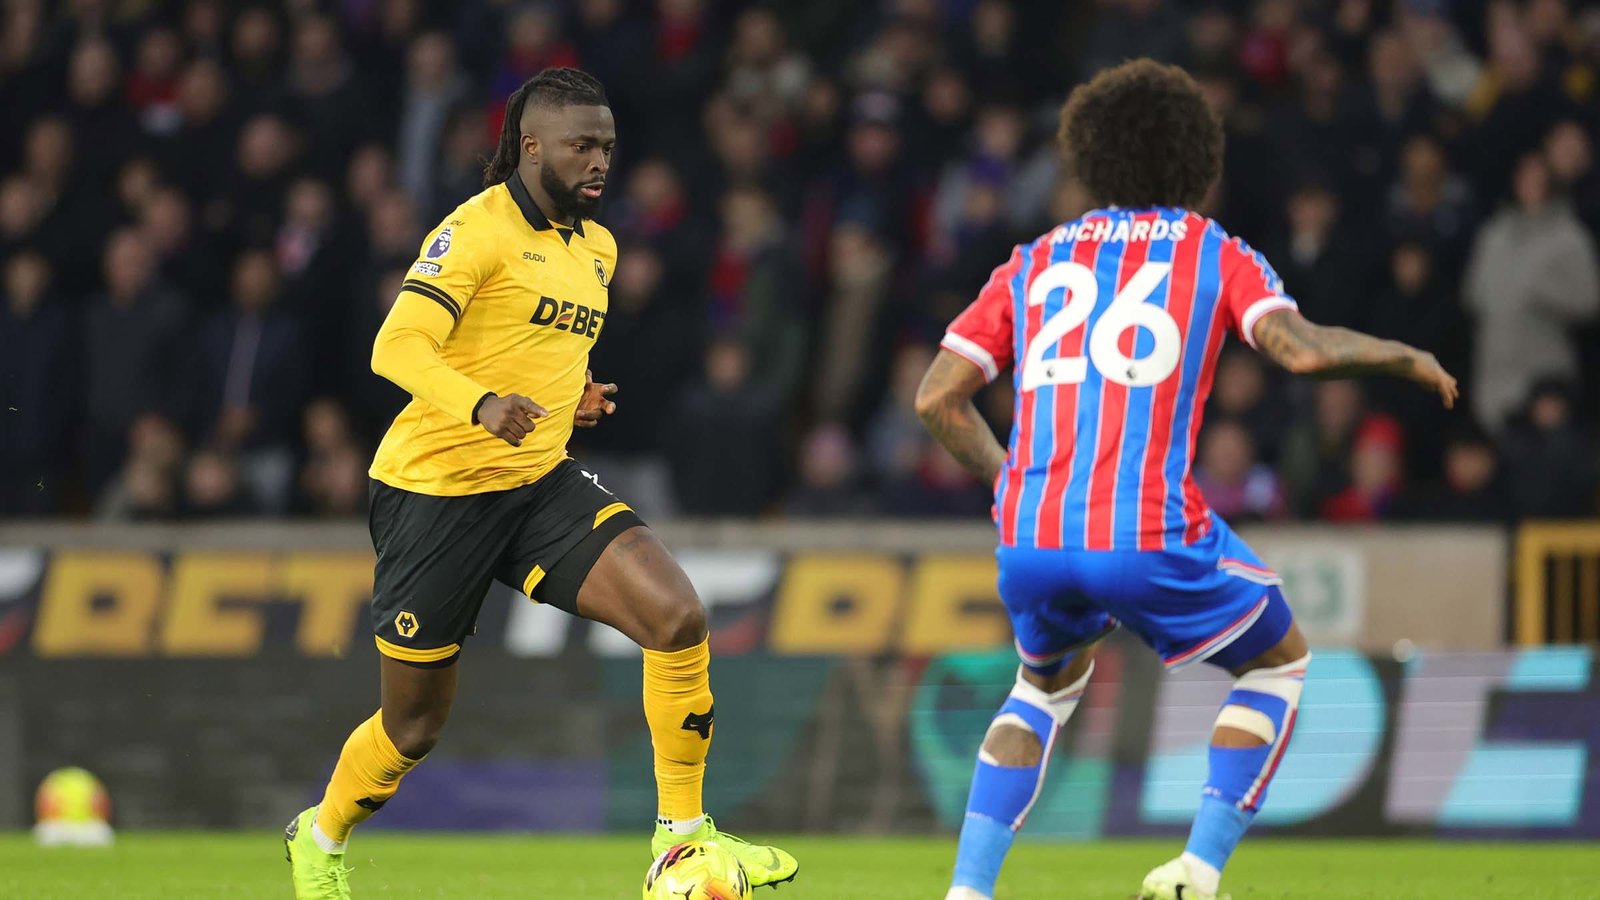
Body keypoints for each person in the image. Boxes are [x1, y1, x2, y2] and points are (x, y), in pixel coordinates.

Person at [914, 60, 1457, 900]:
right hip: (1143, 527)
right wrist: (1403, 354)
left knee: (1039, 690)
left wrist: (1009, 481)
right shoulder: (1212, 250)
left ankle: (967, 892)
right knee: (1276, 665)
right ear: (1196, 160)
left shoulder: (1033, 260)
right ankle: (1196, 872)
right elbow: (1302, 350)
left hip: (1031, 532)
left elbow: (935, 398)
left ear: (1091, 158)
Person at [282, 68, 798, 899]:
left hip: (535, 483)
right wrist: (481, 403)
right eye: (581, 146)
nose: (599, 162)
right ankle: (320, 837)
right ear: (531, 147)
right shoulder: (474, 230)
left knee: (677, 616)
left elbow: (536, 342)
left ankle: (680, 844)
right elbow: (396, 346)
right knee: (414, 726)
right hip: (434, 495)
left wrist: (570, 397)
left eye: (607, 147)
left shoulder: (598, 248)